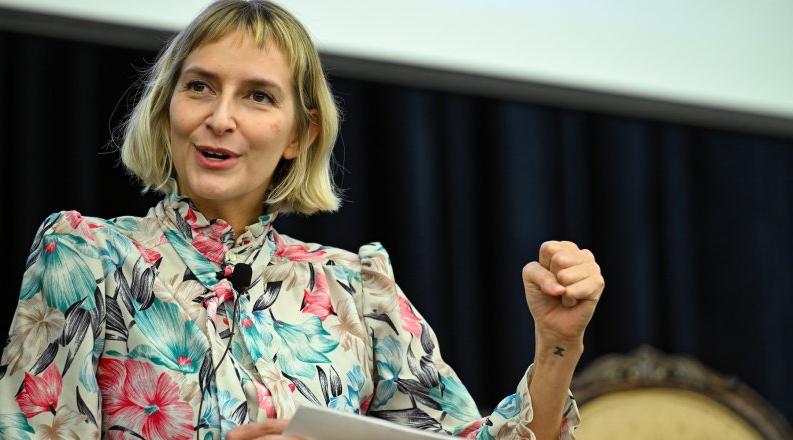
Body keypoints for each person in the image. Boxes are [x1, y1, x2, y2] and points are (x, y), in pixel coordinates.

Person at [0, 1, 604, 439]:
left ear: (300, 134)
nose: (220, 117)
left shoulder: (355, 290)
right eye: (200, 87)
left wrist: (557, 345)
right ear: (166, 111)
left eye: (258, 96)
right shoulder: (84, 254)